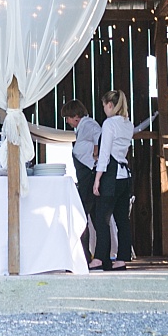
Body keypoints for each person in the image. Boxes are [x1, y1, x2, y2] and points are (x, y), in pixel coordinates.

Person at [91, 89, 135, 270]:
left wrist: (97, 179)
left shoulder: (109, 124)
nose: (104, 109)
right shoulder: (128, 124)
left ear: (110, 105)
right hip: (125, 176)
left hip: (111, 175)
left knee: (102, 218)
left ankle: (101, 257)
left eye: (104, 106)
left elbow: (104, 154)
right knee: (122, 219)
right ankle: (122, 258)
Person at [62, 99, 100, 263]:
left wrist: (96, 153)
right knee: (88, 216)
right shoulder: (81, 128)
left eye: (68, 118)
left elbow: (100, 137)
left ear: (75, 116)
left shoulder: (89, 125)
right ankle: (87, 254)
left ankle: (85, 255)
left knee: (82, 215)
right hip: (85, 175)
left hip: (88, 175)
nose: (67, 121)